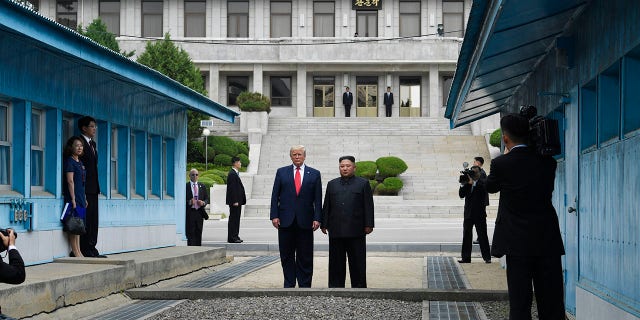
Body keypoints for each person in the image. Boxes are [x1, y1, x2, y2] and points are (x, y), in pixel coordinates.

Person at [486, 113, 565, 319]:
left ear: (505, 138)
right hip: (547, 239)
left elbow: (491, 187)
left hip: (516, 242)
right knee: (552, 303)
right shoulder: (548, 163)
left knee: (520, 304)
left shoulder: (501, 164)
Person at [270, 145, 322, 288]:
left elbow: (318, 199)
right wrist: (274, 215)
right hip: (285, 221)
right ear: (290, 156)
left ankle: (305, 284)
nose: (297, 157)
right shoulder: (281, 172)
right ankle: (289, 283)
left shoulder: (315, 174)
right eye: (294, 154)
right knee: (286, 255)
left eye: (299, 154)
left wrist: (317, 218)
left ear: (305, 156)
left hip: (306, 221)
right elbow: (275, 196)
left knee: (305, 255)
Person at [321, 156, 374, 288]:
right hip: (336, 230)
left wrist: (369, 224)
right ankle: (335, 287)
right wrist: (324, 223)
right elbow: (327, 204)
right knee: (336, 262)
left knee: (357, 261)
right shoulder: (332, 184)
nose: (344, 168)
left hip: (356, 230)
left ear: (354, 167)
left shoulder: (363, 183)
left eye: (348, 166)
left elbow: (368, 205)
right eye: (342, 166)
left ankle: (359, 288)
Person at [77, 116, 105, 258]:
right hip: (84, 188)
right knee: (86, 220)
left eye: (95, 126)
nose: (94, 129)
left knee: (94, 219)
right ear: (84, 128)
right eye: (92, 126)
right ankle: (84, 248)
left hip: (94, 187)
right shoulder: (79, 143)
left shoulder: (92, 144)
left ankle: (92, 247)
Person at [458, 166, 491, 264]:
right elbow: (461, 195)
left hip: (480, 214)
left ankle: (487, 257)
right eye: (472, 172)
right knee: (466, 235)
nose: (473, 174)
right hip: (468, 213)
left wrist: (475, 183)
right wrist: (466, 184)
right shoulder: (467, 181)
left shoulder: (483, 182)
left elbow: (484, 190)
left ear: (479, 173)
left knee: (482, 235)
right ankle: (466, 258)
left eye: (475, 172)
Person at [62, 136, 87, 258]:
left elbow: (82, 183)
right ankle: (75, 251)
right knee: (73, 225)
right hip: (73, 198)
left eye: (81, 145)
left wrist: (85, 198)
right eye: (77, 145)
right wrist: (72, 199)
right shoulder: (70, 162)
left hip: (81, 198)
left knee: (79, 225)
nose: (79, 147)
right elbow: (70, 181)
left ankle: (79, 250)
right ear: (71, 147)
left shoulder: (80, 162)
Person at [186, 168, 209, 246]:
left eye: (196, 174)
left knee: (199, 230)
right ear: (189, 176)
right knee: (191, 231)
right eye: (193, 175)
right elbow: (182, 200)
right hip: (190, 212)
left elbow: (207, 199)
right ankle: (191, 248)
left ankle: (198, 247)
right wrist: (189, 202)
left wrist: (203, 203)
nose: (195, 176)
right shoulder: (186, 186)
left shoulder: (202, 186)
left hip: (199, 212)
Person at [226, 157, 246, 243]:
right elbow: (232, 189)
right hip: (235, 202)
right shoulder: (232, 174)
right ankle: (232, 237)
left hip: (238, 201)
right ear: (235, 163)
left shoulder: (235, 173)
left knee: (236, 219)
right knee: (233, 219)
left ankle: (235, 235)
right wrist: (235, 201)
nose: (240, 164)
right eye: (239, 162)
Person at [472, 156, 489, 244]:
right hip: (480, 201)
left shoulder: (481, 173)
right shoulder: (481, 173)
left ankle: (481, 237)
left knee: (480, 220)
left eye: (474, 162)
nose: (473, 163)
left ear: (478, 163)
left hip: (481, 201)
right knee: (480, 219)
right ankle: (480, 237)